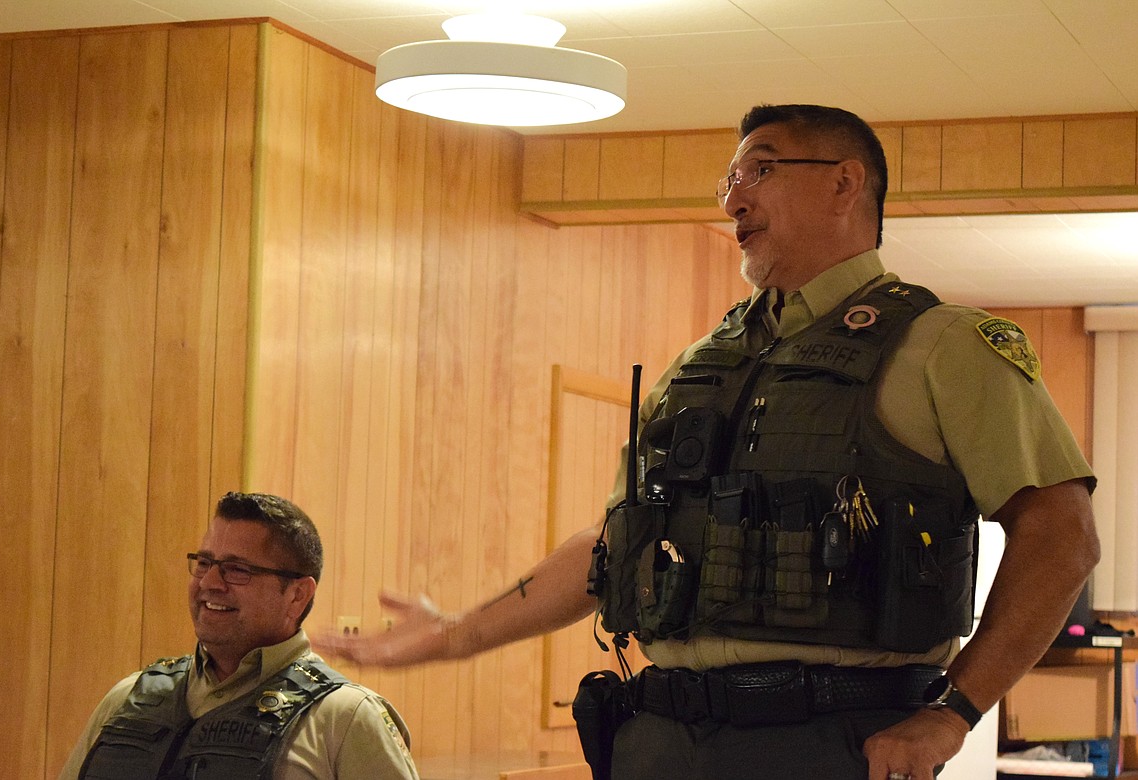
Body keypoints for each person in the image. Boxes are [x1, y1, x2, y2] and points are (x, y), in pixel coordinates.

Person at [315, 104, 1100, 780]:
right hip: (661, 738)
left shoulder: (946, 345)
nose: (732, 200)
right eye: (728, 181)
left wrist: (955, 712)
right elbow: (614, 543)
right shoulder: (702, 361)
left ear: (843, 181)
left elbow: (1062, 539)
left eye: (758, 171)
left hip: (832, 743)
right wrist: (457, 634)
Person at [60, 491, 419, 780]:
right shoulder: (126, 698)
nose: (209, 583)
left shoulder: (345, 719)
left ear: (297, 595)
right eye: (204, 563)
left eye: (237, 570)